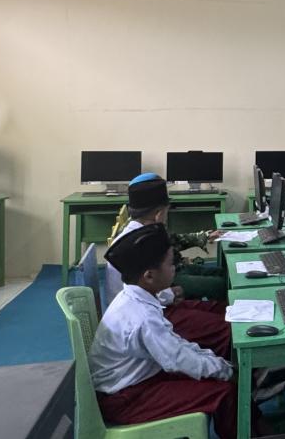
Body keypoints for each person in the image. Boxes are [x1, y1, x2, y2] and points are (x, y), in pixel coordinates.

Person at [91, 224, 238, 438]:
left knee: (214, 375)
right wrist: (226, 371)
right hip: (125, 398)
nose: (175, 268)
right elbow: (177, 358)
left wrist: (216, 363)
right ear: (149, 276)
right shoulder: (143, 318)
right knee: (224, 392)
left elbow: (177, 345)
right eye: (170, 264)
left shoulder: (133, 298)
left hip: (135, 380)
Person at [103, 173, 230, 355]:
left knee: (222, 307)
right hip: (148, 314)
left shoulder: (137, 234)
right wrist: (169, 294)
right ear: (159, 214)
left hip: (140, 308)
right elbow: (141, 295)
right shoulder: (142, 242)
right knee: (224, 320)